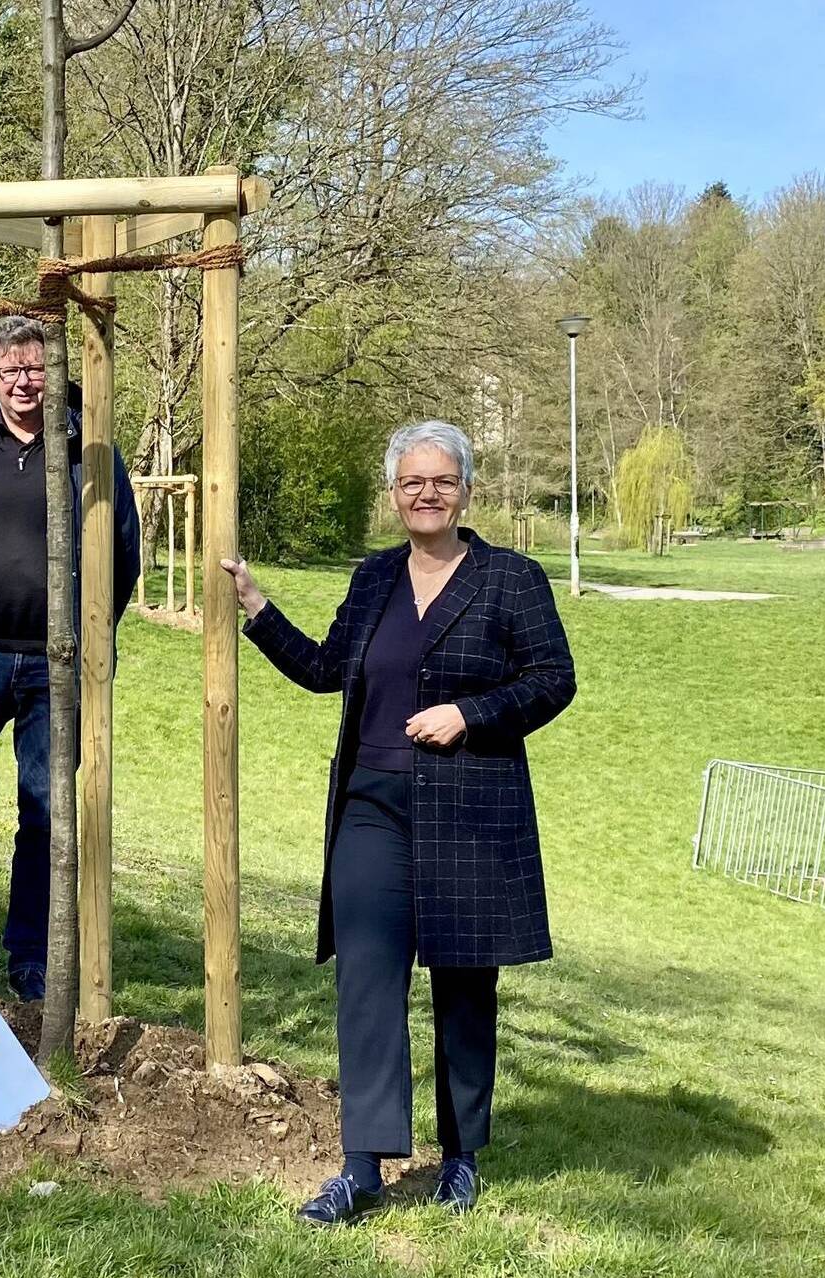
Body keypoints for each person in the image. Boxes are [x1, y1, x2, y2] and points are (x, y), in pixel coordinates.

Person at [219, 420, 576, 1224]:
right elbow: (324, 669)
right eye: (412, 482)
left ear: (466, 491)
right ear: (394, 494)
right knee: (367, 978)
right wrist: (258, 606)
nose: (426, 493)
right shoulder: (375, 576)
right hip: (372, 804)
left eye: (441, 481)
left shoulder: (510, 578)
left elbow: (555, 679)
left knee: (462, 982)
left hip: (468, 808)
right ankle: (363, 1165)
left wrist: (470, 713)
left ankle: (460, 1156)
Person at [0, 315, 140, 1000]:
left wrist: (85, 629)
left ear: (58, 377)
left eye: (37, 368)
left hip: (56, 662)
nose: (24, 380)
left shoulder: (90, 454)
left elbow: (121, 552)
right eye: (11, 369)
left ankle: (31, 955)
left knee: (45, 810)